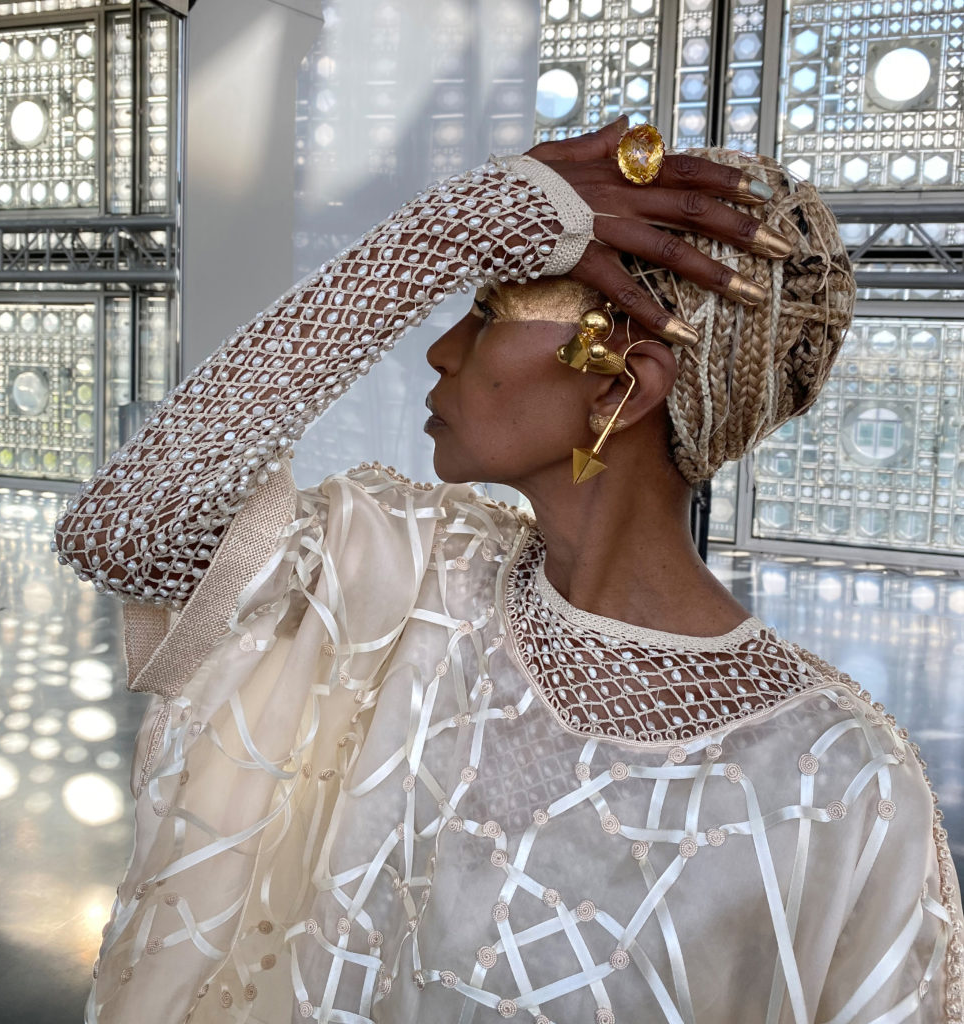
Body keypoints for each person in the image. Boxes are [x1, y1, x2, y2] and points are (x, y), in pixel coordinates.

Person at [54, 119, 963, 1024]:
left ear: (619, 388)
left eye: (489, 313)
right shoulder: (408, 575)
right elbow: (126, 533)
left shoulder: (837, 779)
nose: (440, 349)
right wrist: (442, 233)